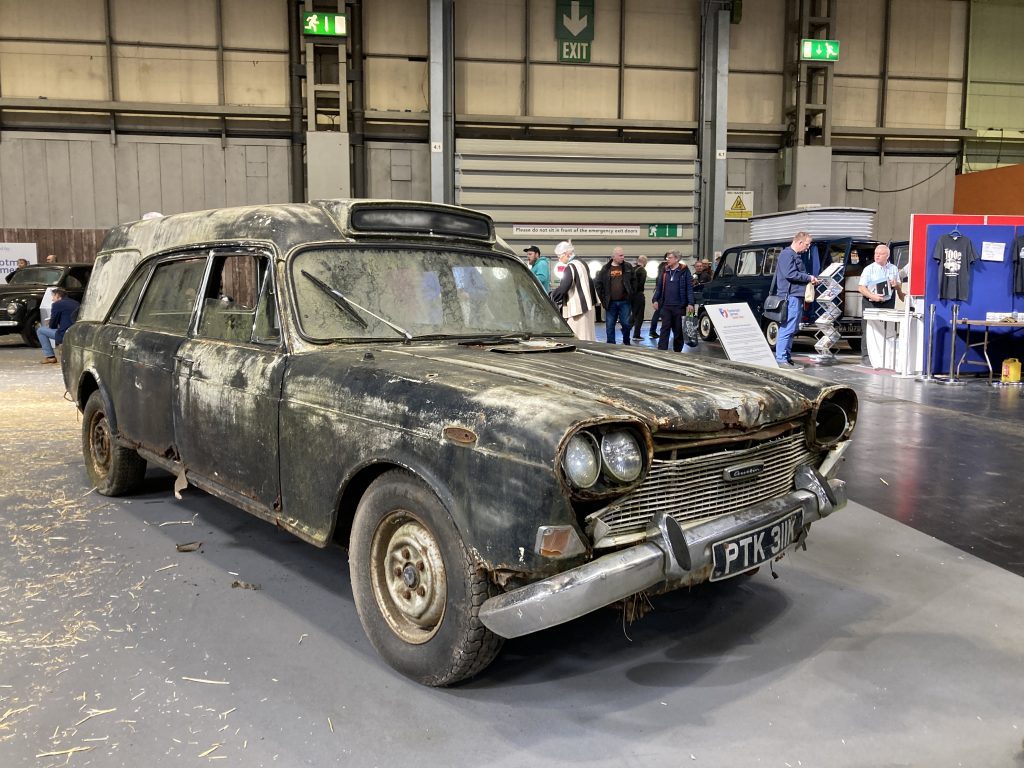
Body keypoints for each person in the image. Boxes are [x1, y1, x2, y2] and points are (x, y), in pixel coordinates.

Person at [773, 231, 818, 370]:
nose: (807, 247)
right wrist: (809, 278)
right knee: (787, 327)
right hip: (790, 297)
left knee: (791, 328)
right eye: (806, 244)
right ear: (799, 242)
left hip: (795, 296)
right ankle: (781, 359)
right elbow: (790, 274)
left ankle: (786, 358)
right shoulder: (787, 254)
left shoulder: (793, 255)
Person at [857, 244, 905, 366]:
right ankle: (866, 357)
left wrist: (896, 285)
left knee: (886, 328)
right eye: (876, 253)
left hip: (887, 302)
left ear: (887, 256)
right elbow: (861, 288)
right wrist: (873, 296)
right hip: (871, 302)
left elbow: (899, 285)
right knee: (868, 329)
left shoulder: (893, 268)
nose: (877, 255)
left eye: (880, 254)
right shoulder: (869, 269)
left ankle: (884, 355)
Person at [549, 241, 597, 341]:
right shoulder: (582, 263)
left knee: (579, 337)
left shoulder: (570, 267)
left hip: (578, 310)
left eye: (559, 256)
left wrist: (551, 295)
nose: (559, 259)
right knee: (588, 335)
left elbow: (563, 288)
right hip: (588, 306)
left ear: (567, 253)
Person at [651, 250, 695, 352]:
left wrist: (690, 303)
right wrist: (655, 300)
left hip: (679, 307)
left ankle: (677, 352)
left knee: (678, 331)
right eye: (667, 258)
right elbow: (659, 287)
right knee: (664, 329)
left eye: (670, 258)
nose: (667, 260)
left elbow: (689, 288)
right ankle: (662, 351)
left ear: (676, 259)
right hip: (665, 306)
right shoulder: (665, 271)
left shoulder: (685, 271)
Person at [595, 246, 634, 345]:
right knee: (610, 325)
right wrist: (603, 300)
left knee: (626, 323)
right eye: (620, 255)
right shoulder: (605, 269)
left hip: (625, 302)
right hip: (610, 302)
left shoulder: (628, 267)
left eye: (623, 255)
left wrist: (631, 294)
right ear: (614, 257)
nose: (623, 257)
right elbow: (599, 285)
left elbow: (634, 282)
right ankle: (611, 344)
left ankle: (626, 341)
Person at [36, 287, 80, 364]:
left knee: (40, 330)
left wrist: (50, 322)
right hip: (76, 333)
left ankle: (50, 357)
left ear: (57, 295)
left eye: (53, 297)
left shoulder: (57, 304)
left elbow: (53, 325)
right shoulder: (76, 303)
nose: (52, 299)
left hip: (64, 334)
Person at [648, 256, 669, 339]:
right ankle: (655, 331)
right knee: (660, 313)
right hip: (663, 293)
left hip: (660, 292)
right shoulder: (665, 267)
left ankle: (653, 331)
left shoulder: (661, 266)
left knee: (657, 313)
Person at [631, 255, 648, 340]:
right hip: (638, 295)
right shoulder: (643, 271)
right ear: (644, 262)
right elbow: (641, 284)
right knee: (639, 315)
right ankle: (636, 334)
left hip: (631, 295)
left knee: (633, 313)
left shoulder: (632, 269)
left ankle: (626, 329)